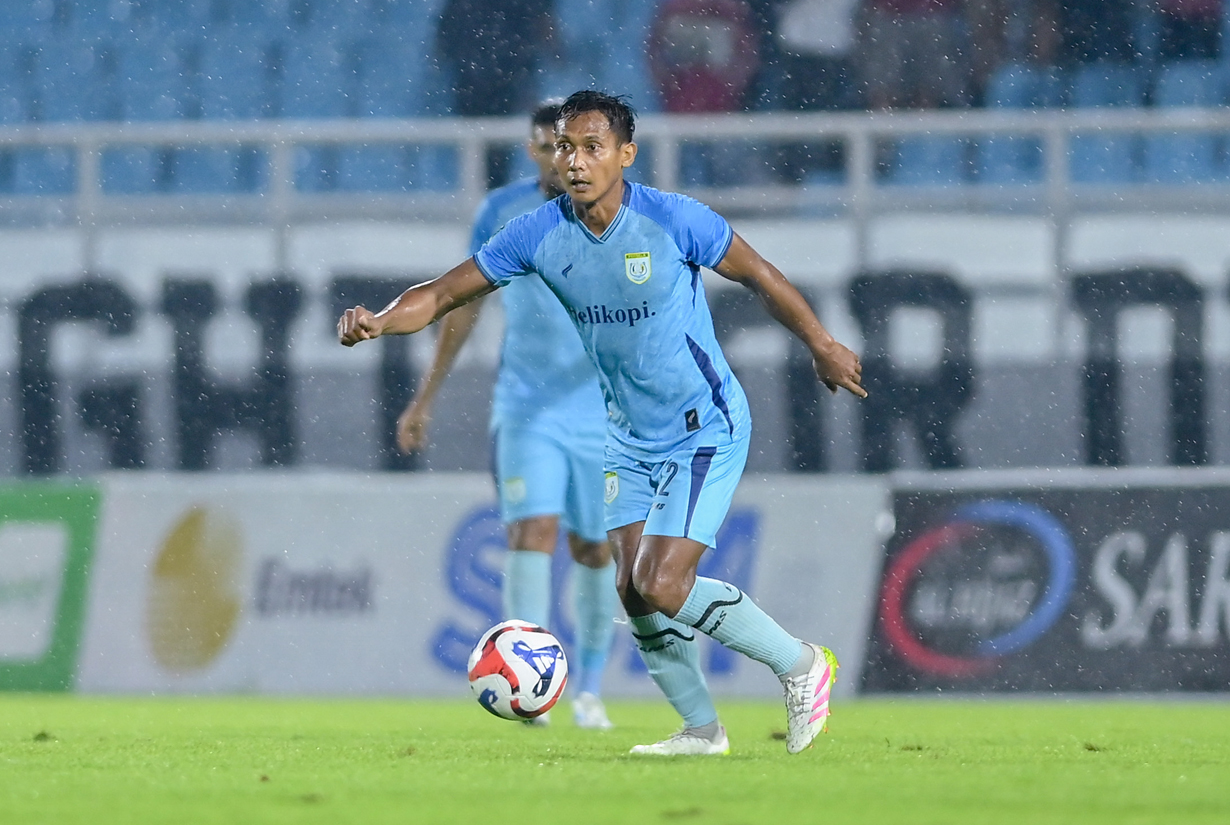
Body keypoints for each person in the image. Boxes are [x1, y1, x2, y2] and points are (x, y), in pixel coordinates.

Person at [339, 90, 866, 756]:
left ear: (626, 154)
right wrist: (382, 320)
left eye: (592, 147)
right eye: (566, 147)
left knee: (662, 583)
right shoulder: (537, 232)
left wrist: (821, 342)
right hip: (626, 433)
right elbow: (444, 292)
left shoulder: (673, 219)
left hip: (703, 425)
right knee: (631, 587)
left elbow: (760, 274)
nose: (576, 161)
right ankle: (701, 729)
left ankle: (800, 663)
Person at [396, 101, 617, 730]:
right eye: (549, 147)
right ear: (532, 150)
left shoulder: (618, 214)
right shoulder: (502, 212)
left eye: (571, 147)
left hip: (603, 413)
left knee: (595, 547)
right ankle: (533, 692)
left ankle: (590, 690)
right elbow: (464, 304)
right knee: (532, 533)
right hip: (526, 405)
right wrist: (426, 397)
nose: (559, 159)